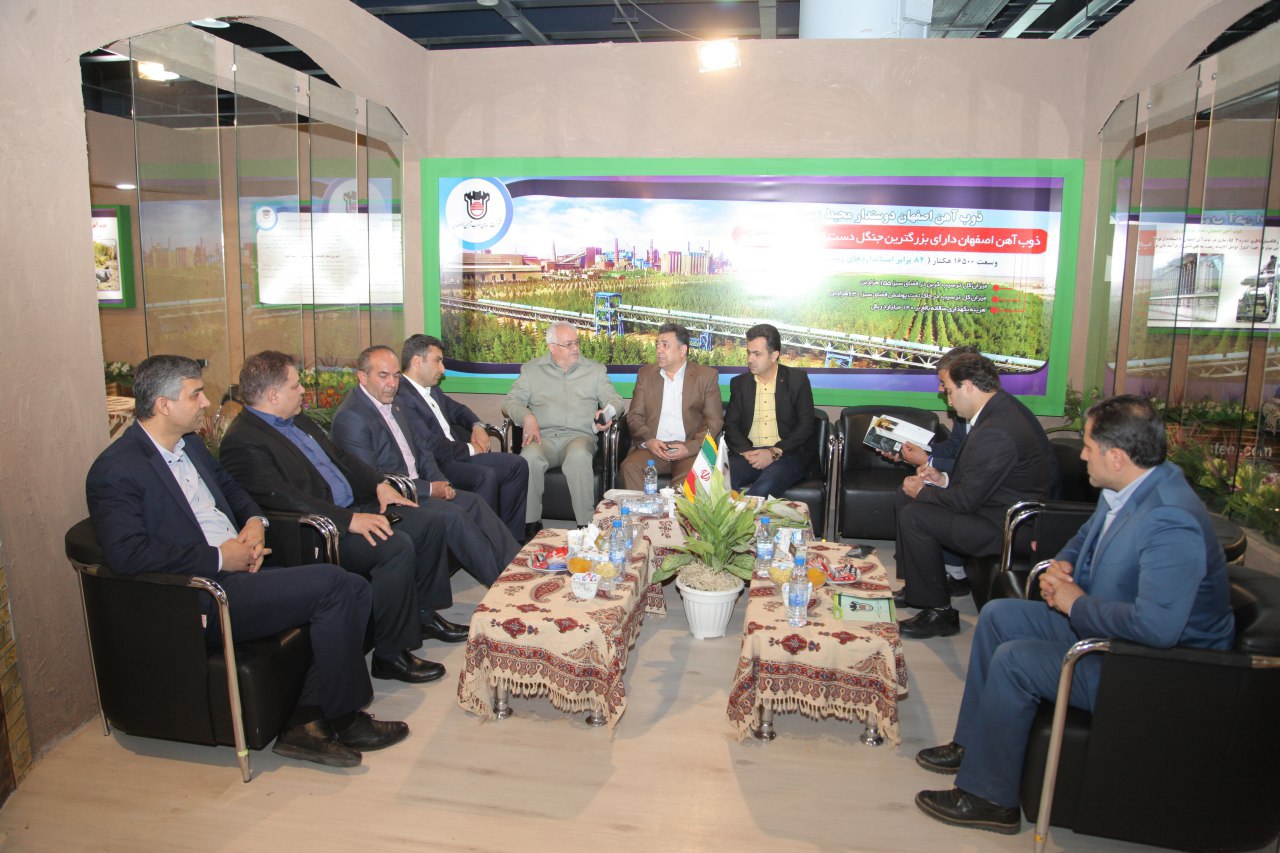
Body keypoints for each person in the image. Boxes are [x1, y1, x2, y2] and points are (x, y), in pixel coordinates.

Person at [914, 395, 1234, 835]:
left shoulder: (1170, 521)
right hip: (1109, 630)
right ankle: (972, 744)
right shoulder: (1128, 486)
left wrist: (1075, 604)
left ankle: (990, 798)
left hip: (1151, 668)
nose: (1081, 455)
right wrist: (1060, 564)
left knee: (1015, 661)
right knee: (999, 617)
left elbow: (1158, 629)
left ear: (1116, 456)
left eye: (1087, 446)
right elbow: (1085, 535)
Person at [85, 355, 408, 768]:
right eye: (195, 394)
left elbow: (233, 490)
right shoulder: (116, 469)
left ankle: (308, 720)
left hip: (242, 568)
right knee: (336, 585)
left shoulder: (191, 445)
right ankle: (339, 718)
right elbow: (128, 554)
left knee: (354, 588)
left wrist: (255, 523)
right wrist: (221, 557)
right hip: (200, 593)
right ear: (164, 405)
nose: (206, 403)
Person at [219, 350, 463, 687]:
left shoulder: (298, 420)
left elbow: (343, 458)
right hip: (318, 532)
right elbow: (283, 497)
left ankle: (422, 615)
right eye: (296, 386)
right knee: (395, 547)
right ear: (273, 395)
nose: (303, 391)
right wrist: (348, 521)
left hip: (354, 506)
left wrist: (378, 485)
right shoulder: (243, 440)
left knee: (428, 523)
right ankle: (390, 655)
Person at [894, 353, 1051, 639]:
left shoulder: (997, 429)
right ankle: (920, 590)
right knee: (910, 500)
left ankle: (940, 613)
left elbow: (966, 501)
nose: (948, 400)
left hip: (1008, 525)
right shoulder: (996, 411)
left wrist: (923, 491)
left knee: (915, 515)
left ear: (967, 386)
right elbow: (977, 478)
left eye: (949, 391)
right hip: (993, 506)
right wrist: (941, 479)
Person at [330, 345, 518, 584]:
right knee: (454, 515)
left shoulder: (395, 404)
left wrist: (439, 481)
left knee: (475, 502)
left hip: (418, 486)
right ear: (362, 377)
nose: (392, 383)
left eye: (396, 375)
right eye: (383, 376)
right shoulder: (352, 417)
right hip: (391, 498)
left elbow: (421, 450)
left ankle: (517, 564)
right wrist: (429, 489)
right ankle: (502, 583)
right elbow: (370, 479)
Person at [397, 334, 528, 543]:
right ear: (417, 362)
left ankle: (511, 538)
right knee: (485, 475)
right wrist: (472, 448)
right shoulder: (402, 396)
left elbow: (459, 410)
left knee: (517, 465)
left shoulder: (432, 390)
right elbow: (430, 444)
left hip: (457, 455)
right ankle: (486, 542)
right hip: (438, 464)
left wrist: (477, 426)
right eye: (438, 361)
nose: (443, 369)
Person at [501, 321, 625, 528]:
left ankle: (586, 525)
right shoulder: (531, 371)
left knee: (578, 456)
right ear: (552, 347)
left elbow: (616, 401)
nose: (575, 348)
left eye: (577, 342)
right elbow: (509, 402)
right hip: (544, 438)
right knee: (529, 458)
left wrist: (607, 413)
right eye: (568, 344)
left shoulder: (594, 371)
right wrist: (527, 417)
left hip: (580, 437)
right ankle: (530, 525)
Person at [620, 323, 723, 491]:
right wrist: (649, 441)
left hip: (689, 449)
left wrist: (689, 448)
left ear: (683, 350)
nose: (659, 350)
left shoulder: (706, 376)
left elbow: (714, 421)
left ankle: (675, 509)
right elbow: (635, 416)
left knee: (688, 480)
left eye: (665, 345)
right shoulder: (645, 375)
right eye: (657, 345)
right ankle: (641, 509)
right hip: (654, 448)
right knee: (630, 466)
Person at [723, 323, 815, 497]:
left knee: (764, 487)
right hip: (750, 453)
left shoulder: (797, 380)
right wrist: (747, 452)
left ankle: (748, 514)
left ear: (774, 356)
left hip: (786, 454)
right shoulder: (740, 383)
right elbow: (730, 425)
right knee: (721, 480)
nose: (750, 359)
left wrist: (773, 452)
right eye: (749, 353)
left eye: (757, 354)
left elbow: (806, 426)